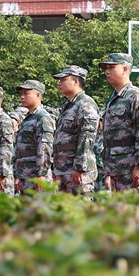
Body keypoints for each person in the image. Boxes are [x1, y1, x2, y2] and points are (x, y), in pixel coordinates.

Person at [99, 53, 139, 191]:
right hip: (115, 167)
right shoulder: (114, 98)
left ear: (124, 69)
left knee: (134, 208)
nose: (107, 71)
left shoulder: (135, 96)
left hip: (131, 166)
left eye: (112, 67)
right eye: (106, 68)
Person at [52, 66, 100, 197]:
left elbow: (86, 138)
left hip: (76, 170)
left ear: (75, 82)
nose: (59, 83)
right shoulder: (68, 105)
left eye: (63, 79)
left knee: (81, 210)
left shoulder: (85, 104)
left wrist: (79, 167)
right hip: (62, 169)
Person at [14, 80, 55, 193]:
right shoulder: (28, 118)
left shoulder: (42, 117)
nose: (22, 97)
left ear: (38, 95)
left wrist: (41, 174)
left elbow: (44, 147)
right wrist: (19, 175)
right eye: (21, 94)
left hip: (37, 175)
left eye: (26, 93)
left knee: (41, 208)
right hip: (25, 174)